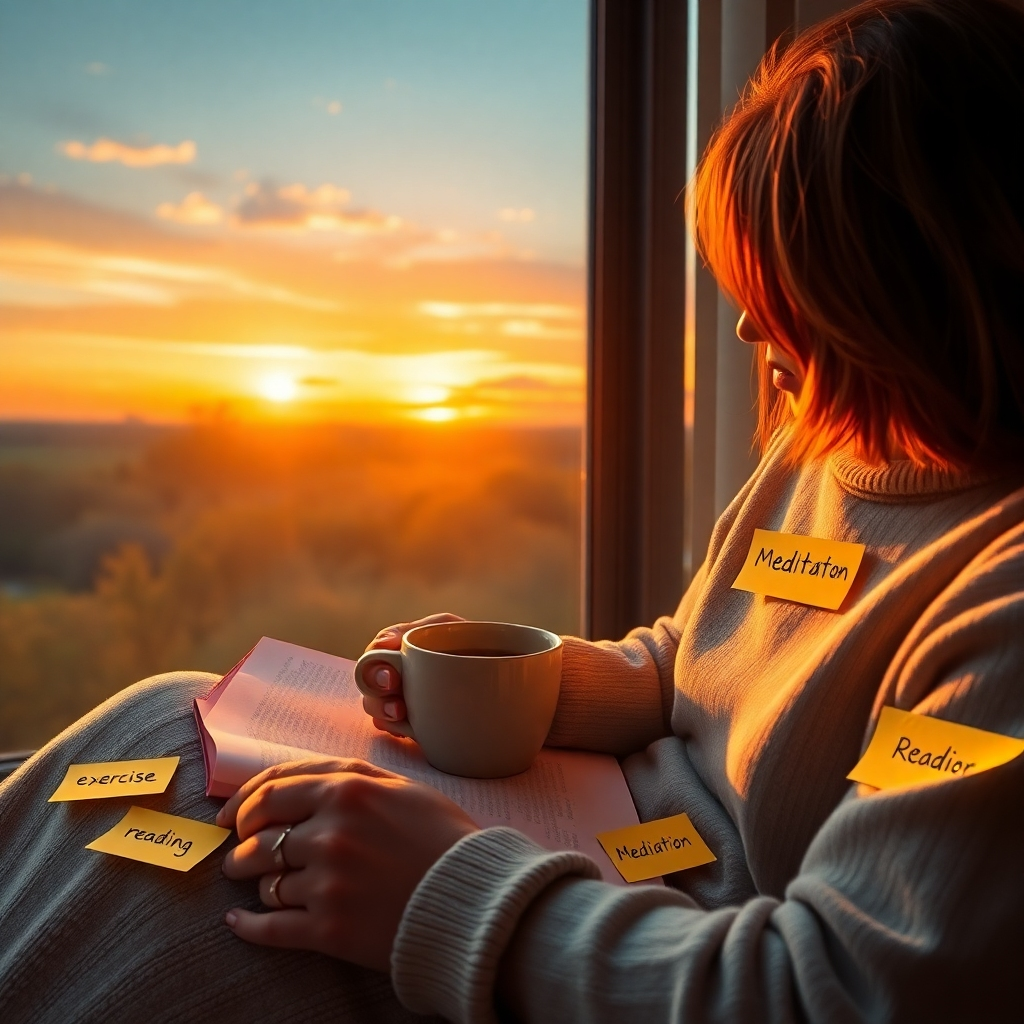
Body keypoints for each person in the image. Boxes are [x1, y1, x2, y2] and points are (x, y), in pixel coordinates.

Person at [2, 0, 1023, 1020]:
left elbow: (832, 988)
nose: (752, 324)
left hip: (605, 937)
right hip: (575, 846)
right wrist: (506, 684)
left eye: (796, 290)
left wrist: (434, 893)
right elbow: (692, 664)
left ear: (929, 283)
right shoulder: (829, 445)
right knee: (166, 719)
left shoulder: (1000, 598)